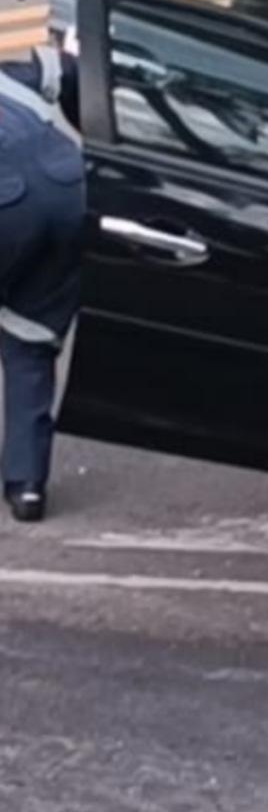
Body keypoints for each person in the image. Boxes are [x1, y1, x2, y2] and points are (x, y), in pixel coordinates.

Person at [0, 44, 84, 523]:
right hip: (67, 190)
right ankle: (26, 485)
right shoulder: (18, 74)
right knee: (30, 335)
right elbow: (69, 69)